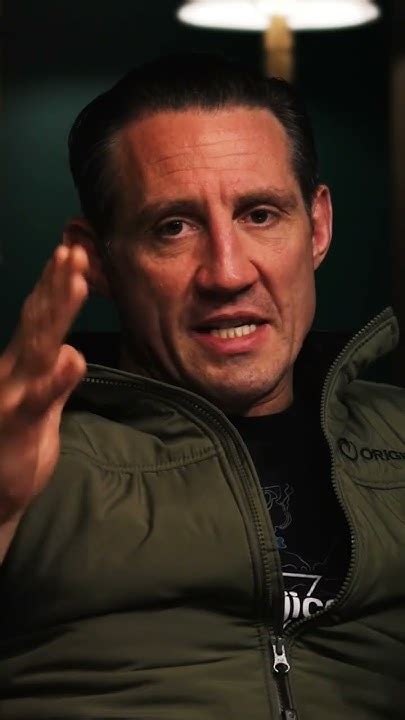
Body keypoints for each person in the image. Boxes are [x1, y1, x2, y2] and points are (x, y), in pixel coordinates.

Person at [0, 53, 404, 720]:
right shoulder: (27, 448)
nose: (227, 272)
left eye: (260, 215)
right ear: (97, 260)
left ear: (317, 228)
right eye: (173, 227)